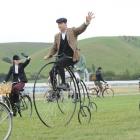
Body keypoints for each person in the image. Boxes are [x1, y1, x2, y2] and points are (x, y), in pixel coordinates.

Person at [44, 12, 95, 89]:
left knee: (59, 63)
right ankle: (55, 90)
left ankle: (64, 83)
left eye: (60, 24)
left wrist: (86, 23)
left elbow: (80, 29)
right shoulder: (57, 36)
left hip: (71, 57)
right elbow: (54, 48)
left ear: (65, 24)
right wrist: (49, 55)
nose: (59, 26)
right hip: (61, 58)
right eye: (58, 24)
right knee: (52, 72)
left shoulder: (72, 31)